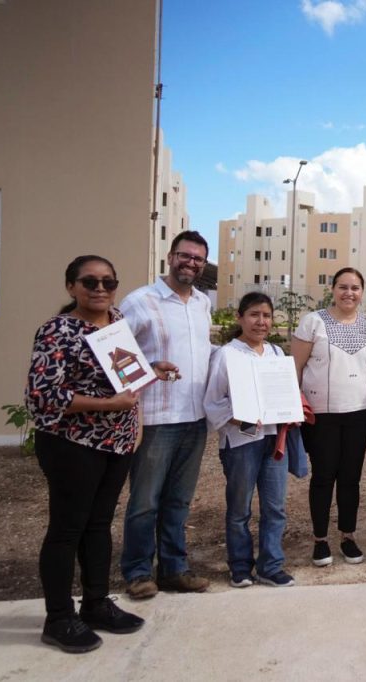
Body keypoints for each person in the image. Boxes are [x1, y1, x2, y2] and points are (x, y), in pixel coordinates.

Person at [25, 256, 145, 653]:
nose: (100, 289)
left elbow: (124, 376)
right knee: (67, 529)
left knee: (98, 525)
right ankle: (59, 617)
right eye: (90, 282)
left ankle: (95, 604)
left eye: (108, 282)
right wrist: (108, 405)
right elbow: (42, 396)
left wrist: (151, 369)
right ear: (71, 286)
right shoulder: (57, 330)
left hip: (116, 442)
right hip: (72, 444)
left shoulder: (117, 322)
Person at [119, 231, 212, 599]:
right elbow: (116, 358)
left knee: (179, 500)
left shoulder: (202, 303)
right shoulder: (139, 301)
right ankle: (138, 571)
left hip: (195, 417)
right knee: (145, 502)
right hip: (156, 418)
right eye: (185, 256)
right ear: (170, 257)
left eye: (198, 259)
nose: (191, 263)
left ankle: (174, 568)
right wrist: (149, 367)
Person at [204, 293, 296, 588]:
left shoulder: (276, 354)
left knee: (275, 507)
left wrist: (290, 409)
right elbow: (213, 401)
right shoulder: (226, 354)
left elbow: (285, 391)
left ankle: (271, 566)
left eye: (267, 316)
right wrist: (240, 417)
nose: (261, 322)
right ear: (240, 318)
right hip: (241, 443)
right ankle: (240, 567)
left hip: (274, 440)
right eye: (254, 315)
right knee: (239, 508)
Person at [291, 267, 366, 567]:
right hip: (322, 415)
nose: (348, 293)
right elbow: (296, 368)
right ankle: (320, 540)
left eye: (355, 288)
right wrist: (295, 406)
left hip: (360, 412)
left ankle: (347, 536)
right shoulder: (312, 322)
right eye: (343, 286)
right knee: (323, 476)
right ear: (332, 288)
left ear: (362, 292)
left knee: (351, 478)